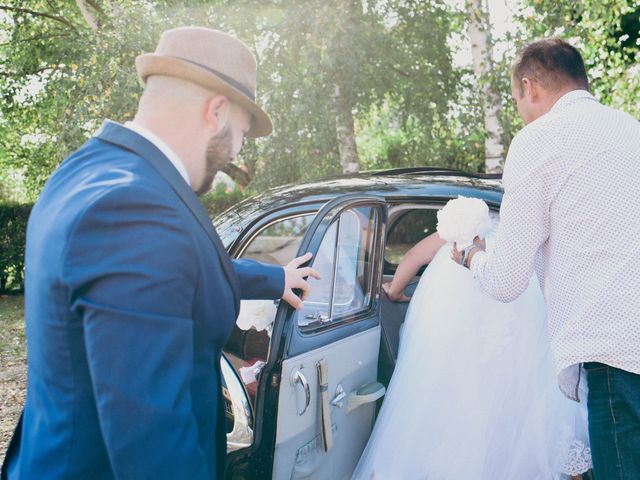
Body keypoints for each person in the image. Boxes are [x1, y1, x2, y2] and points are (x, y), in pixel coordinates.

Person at [1, 27, 319, 480]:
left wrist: (273, 283)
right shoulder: (135, 211)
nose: (239, 150)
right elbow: (153, 450)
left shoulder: (92, 170)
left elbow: (177, 271)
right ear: (217, 112)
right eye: (243, 133)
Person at [453, 38, 640, 480]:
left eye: (517, 99)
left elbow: (506, 281)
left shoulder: (538, 140)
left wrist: (472, 257)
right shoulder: (630, 128)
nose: (521, 110)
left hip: (613, 349)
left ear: (530, 87)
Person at [354, 217, 592, 479]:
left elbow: (414, 255)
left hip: (453, 346)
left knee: (443, 412)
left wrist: (395, 291)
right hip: (506, 349)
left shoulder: (457, 232)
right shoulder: (518, 244)